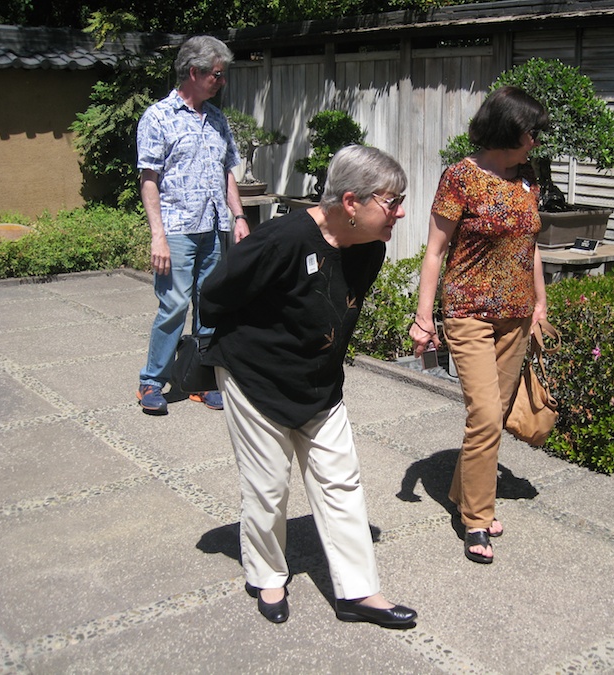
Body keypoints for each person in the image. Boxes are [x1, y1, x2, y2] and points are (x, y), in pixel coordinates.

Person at [199, 145, 418, 628]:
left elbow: (337, 309)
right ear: (350, 202)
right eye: (392, 201)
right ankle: (267, 575)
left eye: (401, 199)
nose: (401, 212)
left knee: (341, 482)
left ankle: (359, 594)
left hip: (320, 385)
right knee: (268, 487)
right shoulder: (281, 239)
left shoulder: (369, 248)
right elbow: (216, 293)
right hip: (257, 379)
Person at [409, 86, 549, 565]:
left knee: (495, 415)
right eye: (530, 132)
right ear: (508, 130)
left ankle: (461, 491)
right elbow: (435, 251)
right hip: (468, 313)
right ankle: (475, 520)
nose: (535, 140)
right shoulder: (460, 178)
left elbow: (531, 246)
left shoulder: (529, 177)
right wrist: (424, 316)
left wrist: (539, 305)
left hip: (516, 317)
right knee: (486, 416)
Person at [135, 35, 249, 415]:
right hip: (177, 230)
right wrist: (158, 237)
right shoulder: (158, 117)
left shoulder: (216, 119)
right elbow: (148, 178)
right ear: (194, 72)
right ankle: (151, 381)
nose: (222, 82)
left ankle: (200, 381)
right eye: (218, 74)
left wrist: (239, 216)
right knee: (174, 305)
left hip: (213, 228)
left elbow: (226, 172)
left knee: (208, 306)